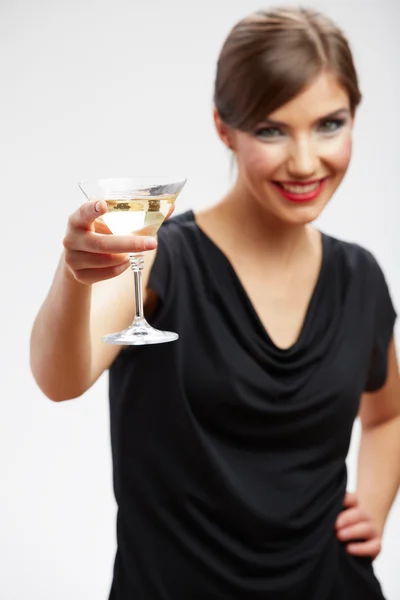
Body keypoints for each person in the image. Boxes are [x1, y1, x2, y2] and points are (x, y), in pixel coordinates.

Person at [30, 6, 400, 600]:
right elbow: (60, 378)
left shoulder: (361, 278)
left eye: (329, 124)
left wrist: (374, 510)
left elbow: (386, 416)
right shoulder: (161, 261)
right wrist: (74, 275)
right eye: (271, 130)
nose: (306, 161)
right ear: (224, 128)